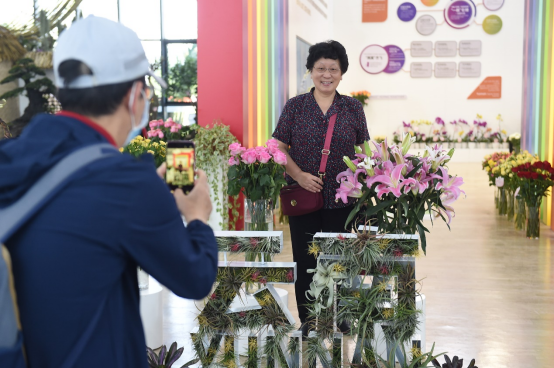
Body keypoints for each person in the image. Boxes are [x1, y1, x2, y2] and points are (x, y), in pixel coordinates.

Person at [0, 16, 218, 367]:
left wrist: (150, 198)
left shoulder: (11, 157)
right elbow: (194, 279)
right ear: (135, 95)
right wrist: (196, 216)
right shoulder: (127, 183)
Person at [272, 40, 370, 336]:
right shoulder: (295, 106)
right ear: (310, 71)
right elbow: (277, 148)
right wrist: (299, 175)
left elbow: (364, 151)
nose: (326, 75)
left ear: (342, 73)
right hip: (304, 198)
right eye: (320, 69)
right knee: (306, 258)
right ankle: (310, 320)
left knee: (339, 261)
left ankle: (340, 316)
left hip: (344, 201)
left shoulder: (352, 107)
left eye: (333, 69)